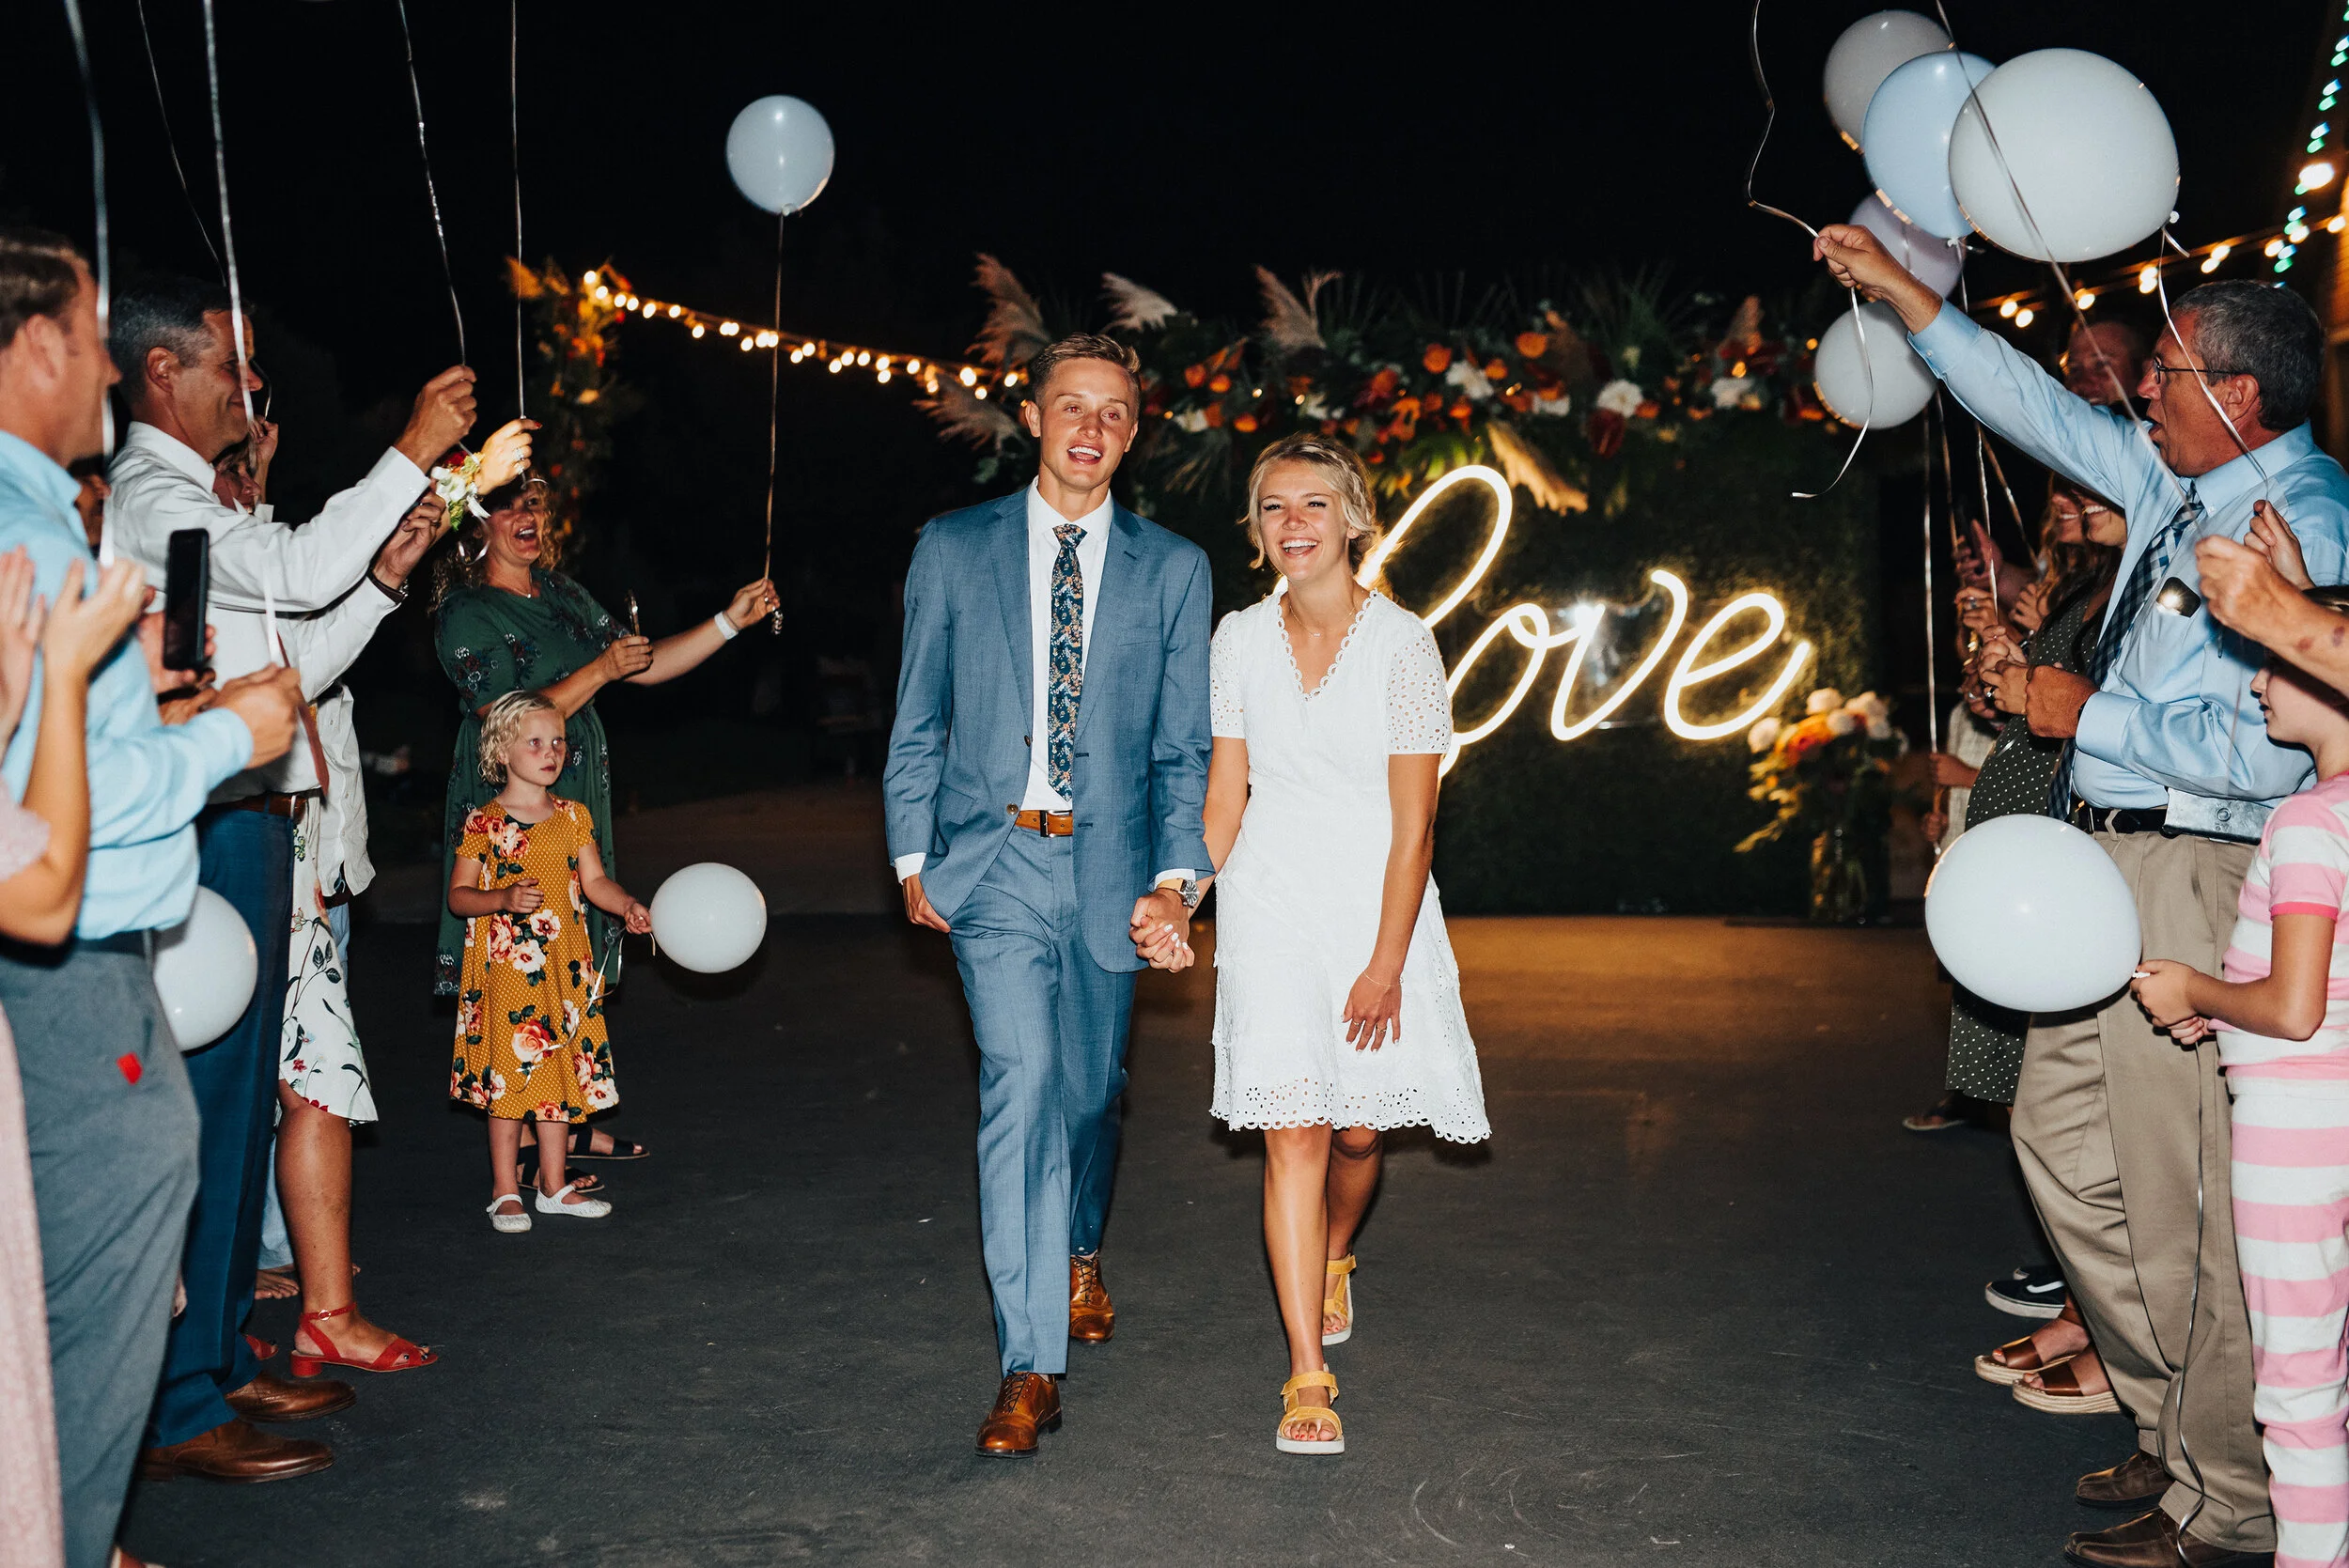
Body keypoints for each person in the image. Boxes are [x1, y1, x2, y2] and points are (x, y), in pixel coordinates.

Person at [1818, 222, 2349, 1567]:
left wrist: (2083, 713)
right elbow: (2032, 404)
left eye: (2163, 373)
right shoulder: (2178, 475)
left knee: (2183, 1197)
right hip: (2106, 860)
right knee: (2064, 1147)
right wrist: (1906, 295)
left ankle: (2230, 1495)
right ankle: (2178, 1425)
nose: (2137, 393)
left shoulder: (2303, 518)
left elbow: (2272, 747)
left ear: (2239, 393)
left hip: (2198, 870)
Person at [104, 272, 528, 1483]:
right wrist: (414, 447)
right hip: (207, 824)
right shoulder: (149, 499)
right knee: (206, 1109)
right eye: (230, 362)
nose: (252, 384)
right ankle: (177, 1403)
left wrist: (388, 576)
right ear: (162, 373)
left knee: (243, 1108)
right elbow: (294, 571)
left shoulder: (197, 502)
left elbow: (298, 654)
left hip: (261, 824)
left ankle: (221, 1350)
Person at [0, 229, 302, 1567]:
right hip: (66, 958)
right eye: (91, 337)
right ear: (39, 344)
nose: (112, 372)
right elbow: (52, 816)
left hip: (78, 948)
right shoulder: (31, 530)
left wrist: (154, 705)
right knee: (91, 1277)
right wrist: (231, 735)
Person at [883, 333, 1211, 1455]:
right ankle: (1029, 1365)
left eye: (1113, 412)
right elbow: (918, 714)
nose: (1090, 428)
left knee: (1088, 1094)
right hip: (995, 865)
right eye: (1071, 405)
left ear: (1133, 432)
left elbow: (1182, 748)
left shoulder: (1173, 568)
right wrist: (911, 856)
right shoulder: (953, 546)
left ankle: (1078, 1245)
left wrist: (1175, 883)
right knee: (1020, 1088)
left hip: (1115, 873)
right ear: (1032, 417)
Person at [1189, 433, 1487, 1455]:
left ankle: (1335, 1253)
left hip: (1373, 906)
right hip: (1268, 902)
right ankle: (1306, 1373)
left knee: (1359, 1135)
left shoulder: (1404, 644)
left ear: (1353, 519)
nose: (1294, 523)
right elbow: (1225, 796)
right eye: (1274, 506)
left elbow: (1415, 827)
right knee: (1295, 1130)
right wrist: (1181, 892)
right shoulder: (1236, 637)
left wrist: (1386, 962)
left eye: (1313, 503)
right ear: (1256, 527)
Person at [429, 474, 773, 1170]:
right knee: (521, 965)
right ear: (475, 526)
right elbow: (507, 716)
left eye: (533, 503)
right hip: (513, 796)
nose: (527, 516)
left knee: (569, 956)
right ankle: (525, 1142)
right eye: (509, 506)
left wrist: (730, 621)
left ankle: (563, 1121)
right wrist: (600, 670)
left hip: (573, 789)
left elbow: (639, 665)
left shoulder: (561, 592)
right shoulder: (465, 612)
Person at [2132, 586, 2349, 1568]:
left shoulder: (2308, 821)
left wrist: (2195, 988)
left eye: (2272, 658)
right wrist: (2218, 1010)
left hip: (2297, 1128)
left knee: (2299, 1387)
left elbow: (2295, 1008)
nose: (2256, 681)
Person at [447, 691, 650, 1230]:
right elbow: (459, 897)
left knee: (560, 1074)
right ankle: (504, 1189)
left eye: (558, 741)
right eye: (535, 742)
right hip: (507, 973)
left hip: (564, 969)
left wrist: (627, 904)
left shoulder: (572, 816)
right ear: (501, 751)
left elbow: (595, 881)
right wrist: (501, 898)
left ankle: (554, 1185)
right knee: (510, 1081)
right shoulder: (485, 823)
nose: (551, 752)